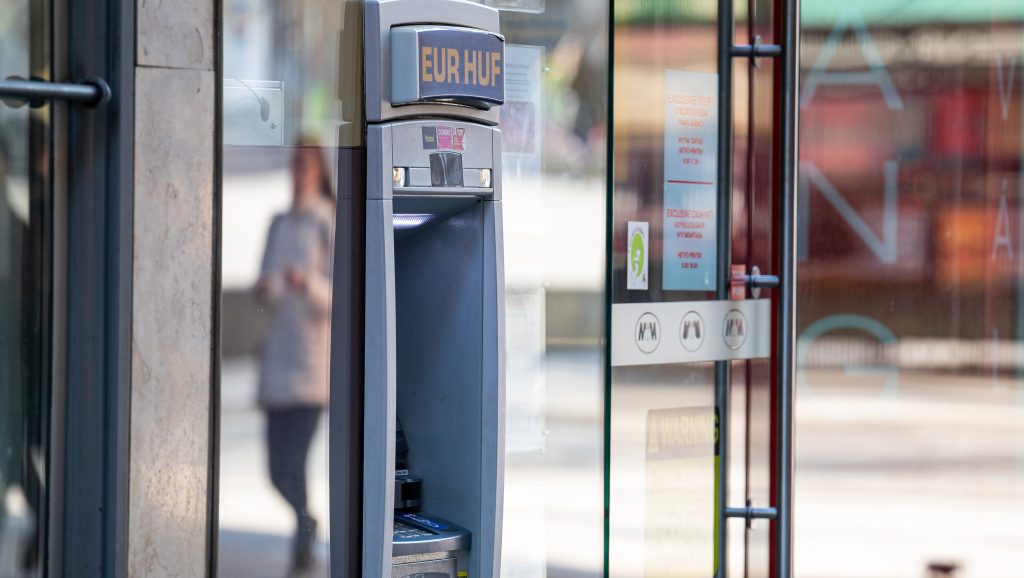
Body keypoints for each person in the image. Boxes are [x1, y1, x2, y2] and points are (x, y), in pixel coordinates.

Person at [254, 137, 334, 578]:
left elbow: (343, 297)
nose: (297, 170)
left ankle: (302, 539)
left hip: (310, 367)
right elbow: (266, 283)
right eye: (294, 162)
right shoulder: (278, 223)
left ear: (319, 169)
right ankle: (306, 521)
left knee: (295, 464)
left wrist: (308, 285)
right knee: (274, 471)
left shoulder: (327, 222)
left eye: (305, 162)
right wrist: (266, 290)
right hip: (277, 361)